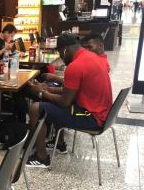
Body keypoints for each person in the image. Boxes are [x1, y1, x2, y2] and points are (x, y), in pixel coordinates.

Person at [25, 33, 112, 168]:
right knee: (54, 104)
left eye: (60, 52)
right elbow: (74, 91)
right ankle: (59, 144)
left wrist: (41, 93)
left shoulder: (75, 66)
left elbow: (64, 102)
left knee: (35, 108)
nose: (60, 56)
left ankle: (41, 158)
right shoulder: (91, 57)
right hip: (100, 113)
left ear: (65, 49)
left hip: (91, 118)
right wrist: (49, 90)